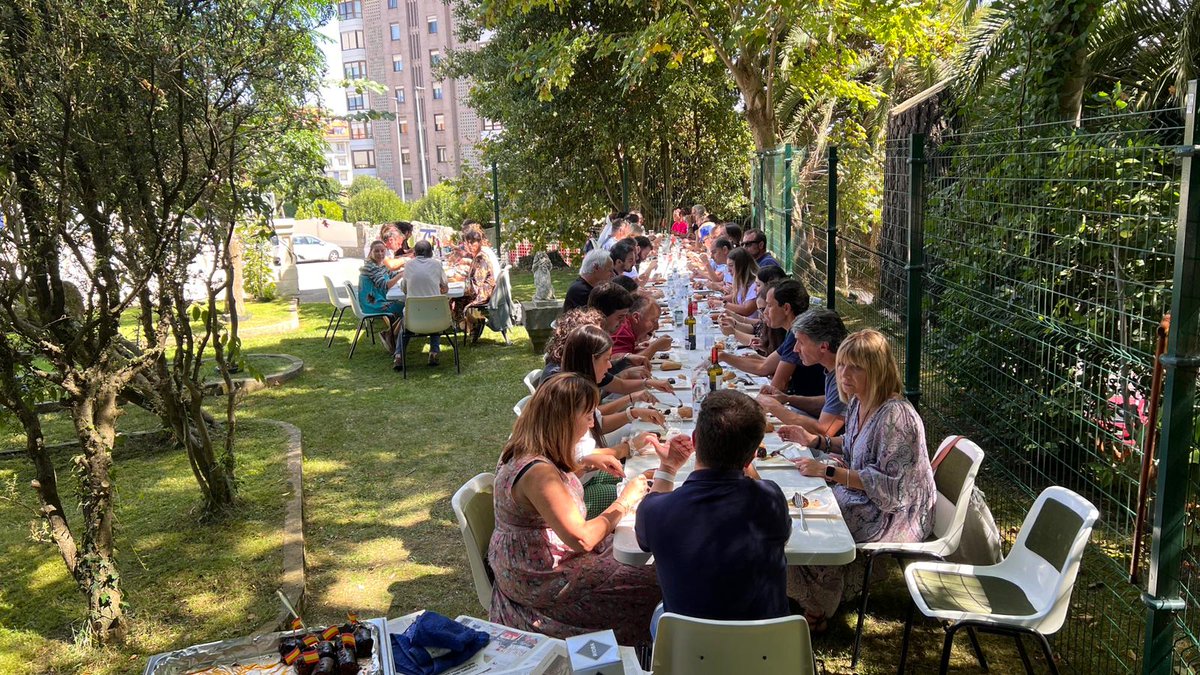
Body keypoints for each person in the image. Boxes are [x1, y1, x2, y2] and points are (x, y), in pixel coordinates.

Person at [489, 372, 669, 644]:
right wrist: (625, 500)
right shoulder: (538, 473)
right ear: (563, 421)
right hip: (545, 580)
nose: (589, 424)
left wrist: (587, 461)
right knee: (665, 579)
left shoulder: (528, 448)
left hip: (539, 566)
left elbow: (556, 479)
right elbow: (582, 539)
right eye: (586, 417)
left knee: (654, 555)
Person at [786, 330, 936, 631]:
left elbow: (894, 489)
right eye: (841, 365)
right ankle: (812, 589)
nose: (844, 374)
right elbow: (854, 445)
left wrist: (829, 473)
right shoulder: (858, 402)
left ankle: (818, 603)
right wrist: (815, 440)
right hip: (869, 497)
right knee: (799, 501)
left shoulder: (896, 417)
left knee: (816, 516)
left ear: (877, 370)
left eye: (855, 367)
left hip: (896, 515)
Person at [637, 390, 790, 630]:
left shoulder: (656, 511)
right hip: (765, 653)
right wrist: (745, 459)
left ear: (695, 440)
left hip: (688, 653)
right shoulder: (771, 499)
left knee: (659, 614)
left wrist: (667, 467)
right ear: (752, 457)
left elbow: (651, 517)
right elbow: (759, 487)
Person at [559, 326, 667, 516]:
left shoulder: (577, 387)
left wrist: (631, 412)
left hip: (585, 480)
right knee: (641, 496)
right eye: (607, 359)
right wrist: (629, 446)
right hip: (574, 492)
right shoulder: (571, 395)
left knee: (636, 476)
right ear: (591, 359)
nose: (610, 366)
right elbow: (580, 458)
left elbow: (597, 422)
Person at [718, 280, 824, 397]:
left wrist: (722, 356)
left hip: (807, 407)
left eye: (769, 306)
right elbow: (767, 364)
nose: (765, 312)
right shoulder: (794, 331)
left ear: (786, 308)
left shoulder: (797, 335)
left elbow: (770, 377)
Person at [760, 308, 849, 439]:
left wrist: (775, 407)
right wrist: (787, 399)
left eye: (800, 342)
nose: (795, 349)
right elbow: (830, 401)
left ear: (823, 346)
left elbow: (823, 431)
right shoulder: (835, 368)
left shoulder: (844, 376)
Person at [396, 240, 448, 368]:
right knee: (436, 315)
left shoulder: (408, 265)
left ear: (414, 253)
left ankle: (398, 355)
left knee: (404, 325)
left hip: (413, 317)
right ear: (431, 253)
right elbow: (445, 287)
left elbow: (404, 289)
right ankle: (434, 352)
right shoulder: (436, 264)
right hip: (435, 317)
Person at [358, 240, 405, 353]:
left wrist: (404, 270)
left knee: (406, 307)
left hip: (379, 299)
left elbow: (390, 275)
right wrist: (401, 275)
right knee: (407, 308)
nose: (380, 253)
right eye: (376, 251)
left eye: (382, 251)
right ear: (371, 252)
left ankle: (389, 334)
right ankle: (391, 335)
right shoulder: (371, 267)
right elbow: (385, 285)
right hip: (372, 304)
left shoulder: (380, 264)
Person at [451, 230, 497, 343]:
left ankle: (475, 323)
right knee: (454, 300)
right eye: (468, 243)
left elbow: (477, 284)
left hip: (482, 293)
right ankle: (472, 327)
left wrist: (460, 281)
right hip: (480, 291)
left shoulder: (481, 258)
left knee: (454, 302)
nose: (470, 245)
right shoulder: (477, 256)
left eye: (473, 242)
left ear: (479, 242)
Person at [612, 293, 672, 359]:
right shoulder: (622, 332)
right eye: (654, 321)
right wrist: (654, 347)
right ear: (636, 317)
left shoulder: (628, 327)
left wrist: (635, 349)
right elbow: (622, 364)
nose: (657, 327)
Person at [723, 247, 760, 318]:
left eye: (731, 266)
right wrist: (720, 299)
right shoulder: (742, 282)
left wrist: (723, 303)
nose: (728, 270)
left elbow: (746, 310)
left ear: (742, 266)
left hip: (751, 327)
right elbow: (736, 297)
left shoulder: (755, 284)